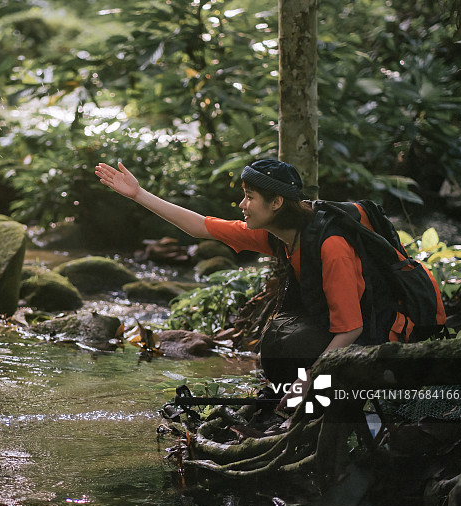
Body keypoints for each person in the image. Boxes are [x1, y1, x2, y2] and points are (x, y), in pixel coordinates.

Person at [94, 159, 373, 409]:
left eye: (249, 197)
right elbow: (200, 226)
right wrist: (138, 194)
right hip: (341, 330)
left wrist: (305, 383)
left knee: (295, 345)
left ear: (276, 202)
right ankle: (303, 407)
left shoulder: (332, 247)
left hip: (378, 336)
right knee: (279, 339)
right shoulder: (277, 233)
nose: (242, 205)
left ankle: (327, 410)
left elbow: (351, 329)